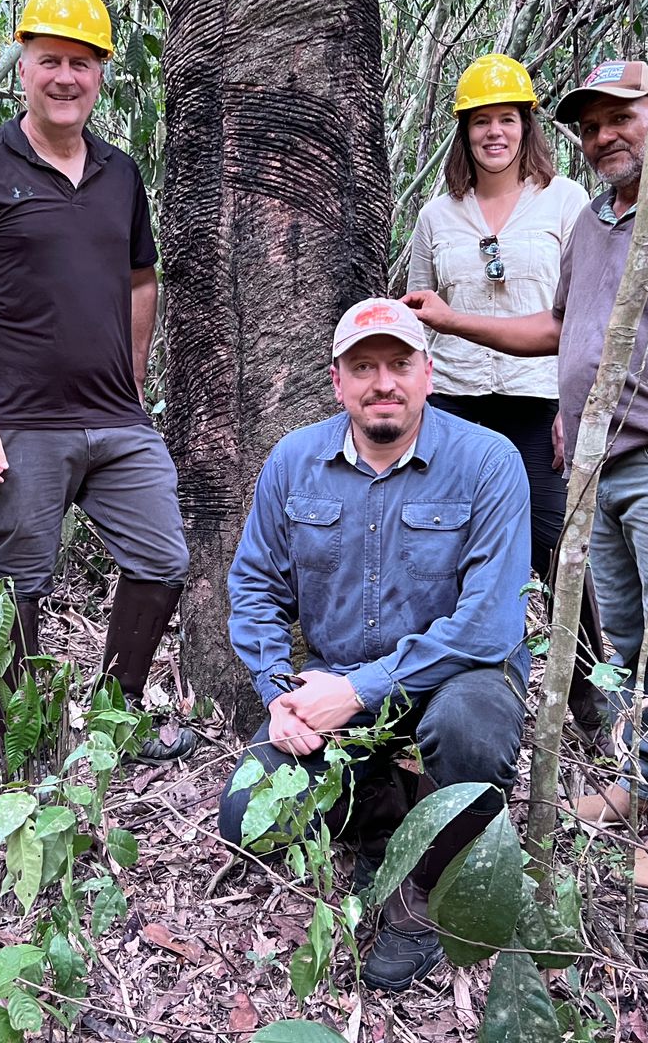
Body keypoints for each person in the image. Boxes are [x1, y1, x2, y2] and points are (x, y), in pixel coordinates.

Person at [404, 59, 648, 889]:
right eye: (592, 123)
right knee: (633, 642)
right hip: (599, 459)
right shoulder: (602, 219)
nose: (606, 135)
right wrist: (460, 323)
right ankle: (645, 785)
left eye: (622, 117)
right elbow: (564, 329)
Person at [218, 297, 532, 991]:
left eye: (398, 364)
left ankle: (427, 891)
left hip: (461, 675)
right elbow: (253, 587)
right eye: (363, 367)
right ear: (338, 381)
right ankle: (384, 817)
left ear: (427, 373)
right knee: (245, 815)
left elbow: (488, 626)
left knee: (468, 727)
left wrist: (359, 689)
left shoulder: (488, 462)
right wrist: (279, 692)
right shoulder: (294, 461)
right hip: (339, 687)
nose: (381, 382)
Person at [0, 0, 194, 765]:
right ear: (24, 67)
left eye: (81, 62)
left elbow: (143, 281)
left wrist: (133, 382)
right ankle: (26, 752)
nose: (65, 77)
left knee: (162, 559)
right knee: (18, 587)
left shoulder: (120, 173)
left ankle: (113, 714)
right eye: (50, 61)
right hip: (19, 419)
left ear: (102, 72)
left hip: (115, 418)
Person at [406, 52, 608, 741]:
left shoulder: (568, 201)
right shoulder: (438, 216)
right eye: (481, 122)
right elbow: (419, 320)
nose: (496, 133)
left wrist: (572, 409)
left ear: (527, 125)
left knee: (556, 548)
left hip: (538, 404)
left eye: (508, 119)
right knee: (449, 551)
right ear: (463, 132)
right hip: (457, 404)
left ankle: (587, 692)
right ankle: (449, 692)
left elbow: (585, 315)